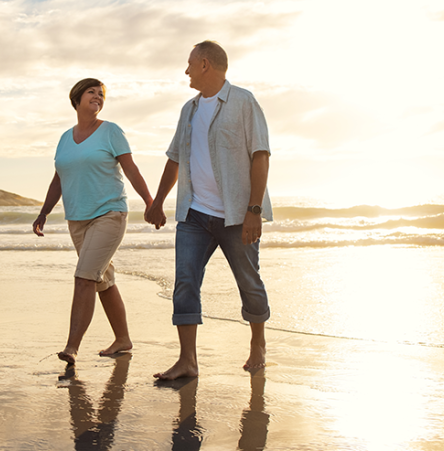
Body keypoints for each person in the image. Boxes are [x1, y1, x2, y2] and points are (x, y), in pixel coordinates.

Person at [146, 41, 272, 380]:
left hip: (235, 215)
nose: (185, 71)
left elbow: (260, 155)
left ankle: (258, 343)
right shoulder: (188, 110)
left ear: (204, 64)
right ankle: (187, 360)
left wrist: (254, 211)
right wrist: (157, 202)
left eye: (189, 64)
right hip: (194, 215)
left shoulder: (243, 102)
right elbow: (175, 158)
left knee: (249, 282)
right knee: (185, 283)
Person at [33, 78, 154, 366]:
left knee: (84, 277)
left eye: (101, 94)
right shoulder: (65, 138)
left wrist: (151, 202)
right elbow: (59, 178)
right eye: (92, 92)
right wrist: (44, 212)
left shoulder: (111, 132)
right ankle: (123, 340)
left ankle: (71, 347)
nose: (98, 97)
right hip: (77, 219)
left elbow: (131, 169)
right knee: (103, 281)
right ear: (76, 98)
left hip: (109, 214)